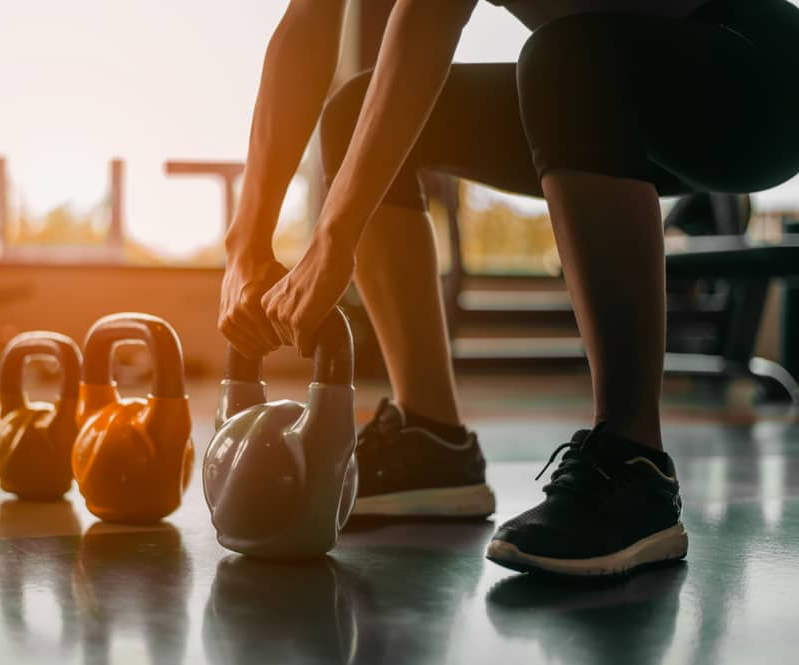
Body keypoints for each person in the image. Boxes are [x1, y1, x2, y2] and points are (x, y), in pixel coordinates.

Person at [218, 0, 799, 576]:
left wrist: (331, 241)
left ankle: (634, 467)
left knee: (564, 55)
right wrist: (246, 247)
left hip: (757, 73)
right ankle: (433, 443)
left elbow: (428, 15)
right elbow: (308, 23)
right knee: (353, 115)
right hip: (600, 93)